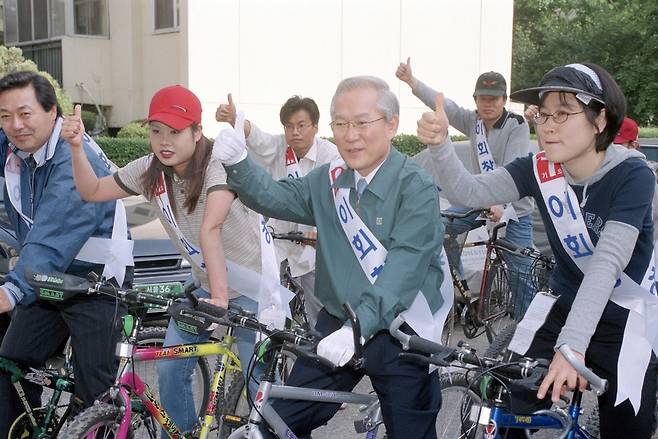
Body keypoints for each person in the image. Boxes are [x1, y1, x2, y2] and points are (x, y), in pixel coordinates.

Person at [417, 62, 658, 438]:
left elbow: (606, 263)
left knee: (628, 424)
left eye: (563, 113)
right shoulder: (538, 167)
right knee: (505, 391)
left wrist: (573, 347)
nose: (547, 124)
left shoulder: (633, 175)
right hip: (562, 305)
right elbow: (469, 192)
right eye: (543, 114)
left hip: (628, 320)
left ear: (600, 120)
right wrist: (440, 147)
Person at [213, 75, 446, 439]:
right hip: (339, 321)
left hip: (403, 330)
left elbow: (403, 269)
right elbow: (275, 197)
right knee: (278, 420)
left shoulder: (415, 185)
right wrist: (240, 163)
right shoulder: (329, 180)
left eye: (362, 122)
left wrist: (358, 328)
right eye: (341, 123)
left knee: (410, 430)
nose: (350, 135)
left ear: (391, 124)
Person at [69, 85, 284, 434]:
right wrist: (76, 147)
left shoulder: (220, 163)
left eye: (175, 131)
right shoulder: (151, 170)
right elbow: (92, 191)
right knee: (170, 368)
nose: (163, 141)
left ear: (197, 132)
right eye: (156, 131)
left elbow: (210, 228)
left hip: (250, 288)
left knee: (256, 380)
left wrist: (219, 298)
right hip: (202, 286)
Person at [0, 71, 133, 436]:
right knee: (11, 362)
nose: (15, 125)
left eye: (25, 114)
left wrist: (10, 292)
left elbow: (51, 236)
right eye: (5, 115)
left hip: (96, 282)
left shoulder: (74, 156)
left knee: (97, 392)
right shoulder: (17, 148)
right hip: (47, 279)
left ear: (52, 112)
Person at [397, 58, 536, 316]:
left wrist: (501, 204)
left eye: (494, 99)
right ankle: (461, 292)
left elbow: (514, 168)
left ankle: (528, 333)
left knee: (521, 273)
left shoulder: (517, 125)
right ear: (475, 100)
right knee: (436, 228)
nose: (488, 104)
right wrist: (411, 82)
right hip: (478, 198)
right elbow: (443, 105)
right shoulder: (473, 122)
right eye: (482, 98)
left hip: (514, 209)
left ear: (504, 100)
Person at [216, 94, 340, 327]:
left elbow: (332, 202)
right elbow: (257, 138)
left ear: (315, 126)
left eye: (301, 125)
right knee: (265, 297)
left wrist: (318, 232)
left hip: (312, 245)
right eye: (289, 126)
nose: (295, 132)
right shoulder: (279, 147)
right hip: (278, 240)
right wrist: (235, 119)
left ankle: (319, 346)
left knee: (319, 308)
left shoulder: (330, 156)